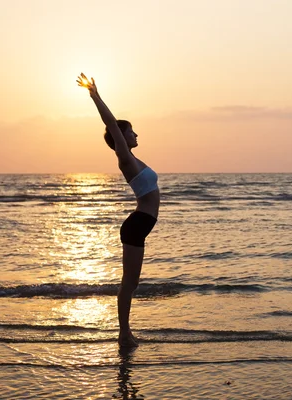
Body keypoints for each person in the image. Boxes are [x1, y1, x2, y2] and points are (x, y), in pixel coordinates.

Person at [77, 73, 160, 347]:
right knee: (129, 284)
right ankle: (124, 333)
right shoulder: (125, 158)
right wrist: (95, 95)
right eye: (131, 130)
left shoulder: (135, 158)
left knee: (131, 283)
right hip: (136, 226)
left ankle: (125, 332)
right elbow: (111, 123)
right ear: (121, 138)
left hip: (140, 225)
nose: (135, 133)